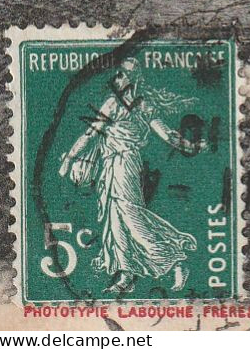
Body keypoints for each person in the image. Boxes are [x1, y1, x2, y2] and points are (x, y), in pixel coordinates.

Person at [58, 58, 204, 295]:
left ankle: (174, 261)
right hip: (110, 164)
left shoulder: (133, 105)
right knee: (114, 219)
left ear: (133, 79)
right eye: (118, 74)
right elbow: (91, 133)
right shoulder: (117, 103)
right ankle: (127, 274)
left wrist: (189, 147)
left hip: (125, 163)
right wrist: (71, 157)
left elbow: (166, 134)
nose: (117, 78)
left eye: (123, 74)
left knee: (131, 215)